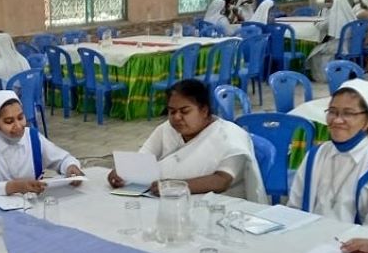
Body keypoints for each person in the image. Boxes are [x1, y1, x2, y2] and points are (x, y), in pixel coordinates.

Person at [107, 79, 268, 200]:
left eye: (184, 111)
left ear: (204, 111)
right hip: (167, 200)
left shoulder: (229, 137)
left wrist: (175, 187)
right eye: (172, 111)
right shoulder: (166, 129)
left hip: (221, 205)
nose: (177, 117)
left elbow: (221, 181)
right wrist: (124, 172)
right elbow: (144, 157)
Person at [288, 79, 368, 231]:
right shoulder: (317, 154)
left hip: (361, 249)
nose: (337, 120)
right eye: (332, 111)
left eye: (348, 113)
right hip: (311, 239)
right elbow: (293, 209)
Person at [0, 90, 85, 197]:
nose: (19, 126)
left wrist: (70, 166)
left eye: (20, 118)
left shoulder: (31, 137)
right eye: (9, 121)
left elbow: (62, 159)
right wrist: (13, 187)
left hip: (33, 204)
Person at [305, 0, 356, 81]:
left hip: (337, 47)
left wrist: (321, 42)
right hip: (352, 47)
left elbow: (323, 29)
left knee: (315, 52)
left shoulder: (334, 16)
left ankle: (322, 77)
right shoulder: (351, 16)